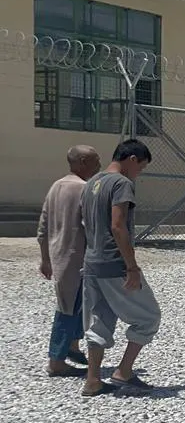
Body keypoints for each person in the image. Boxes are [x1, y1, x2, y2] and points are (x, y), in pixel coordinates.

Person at [79, 139, 163, 397]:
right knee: (149, 317)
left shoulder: (92, 182)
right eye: (141, 168)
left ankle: (93, 380)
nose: (139, 174)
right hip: (115, 264)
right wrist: (132, 267)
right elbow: (118, 226)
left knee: (98, 322)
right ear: (133, 159)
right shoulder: (121, 184)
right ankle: (124, 371)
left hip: (92, 262)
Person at [37, 145, 101, 377]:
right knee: (67, 309)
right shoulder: (85, 189)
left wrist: (45, 260)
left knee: (76, 305)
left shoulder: (56, 186)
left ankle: (72, 346)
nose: (99, 165)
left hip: (58, 256)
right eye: (95, 160)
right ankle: (56, 360)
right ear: (83, 161)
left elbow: (43, 226)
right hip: (78, 258)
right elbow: (92, 226)